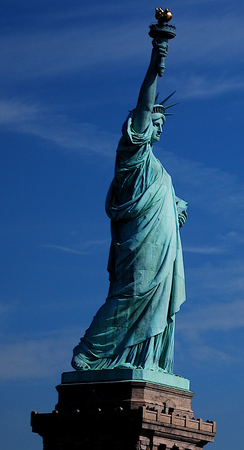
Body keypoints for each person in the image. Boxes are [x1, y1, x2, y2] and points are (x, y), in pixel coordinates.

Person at [72, 36, 187, 373]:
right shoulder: (132, 154)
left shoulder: (158, 169)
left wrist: (175, 207)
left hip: (161, 246)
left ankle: (145, 360)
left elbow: (159, 199)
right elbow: (144, 101)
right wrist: (156, 61)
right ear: (141, 124)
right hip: (140, 246)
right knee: (131, 295)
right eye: (157, 123)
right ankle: (90, 352)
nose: (160, 131)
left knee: (154, 300)